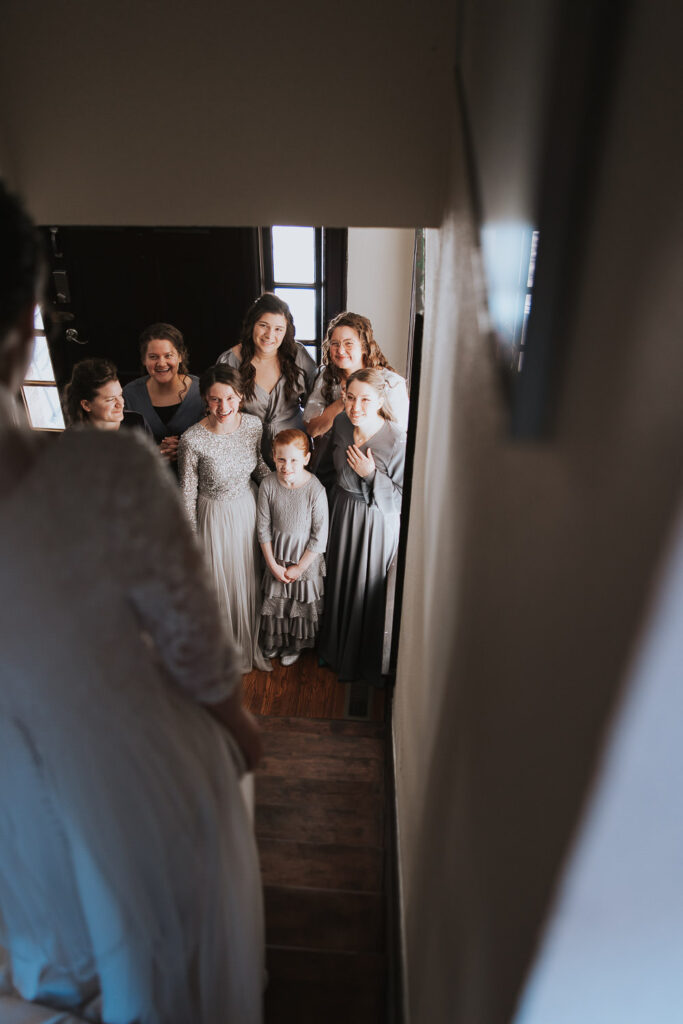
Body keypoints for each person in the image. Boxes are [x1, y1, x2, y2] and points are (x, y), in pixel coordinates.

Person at [0, 180, 264, 1024]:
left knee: (45, 958)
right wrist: (240, 732)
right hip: (120, 766)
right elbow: (193, 646)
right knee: (145, 957)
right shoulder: (109, 471)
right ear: (20, 332)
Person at [178, 364, 271, 673]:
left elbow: (258, 467)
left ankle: (248, 642)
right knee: (218, 583)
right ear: (205, 399)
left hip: (246, 510)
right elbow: (187, 495)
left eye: (230, 398)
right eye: (216, 400)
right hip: (212, 517)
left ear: (240, 397)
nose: (224, 407)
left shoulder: (253, 426)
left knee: (247, 578)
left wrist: (288, 484)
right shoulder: (192, 440)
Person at [318, 368, 406, 686]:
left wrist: (371, 475)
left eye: (366, 400)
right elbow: (326, 468)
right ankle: (333, 648)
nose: (356, 407)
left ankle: (357, 660)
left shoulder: (397, 440)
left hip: (375, 524)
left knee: (363, 587)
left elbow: (402, 500)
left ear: (380, 400)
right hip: (341, 512)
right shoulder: (341, 423)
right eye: (351, 398)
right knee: (339, 579)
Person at [303, 311, 409, 486]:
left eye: (348, 344)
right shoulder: (326, 378)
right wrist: (341, 403)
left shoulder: (391, 383)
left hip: (374, 469)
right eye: (334, 344)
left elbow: (398, 438)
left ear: (365, 347)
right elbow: (313, 430)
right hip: (330, 468)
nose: (340, 350)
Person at [217, 293, 316, 467]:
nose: (270, 335)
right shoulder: (229, 361)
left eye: (278, 329)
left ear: (286, 331)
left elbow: (316, 401)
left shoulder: (298, 355)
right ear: (252, 326)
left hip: (293, 449)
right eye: (263, 325)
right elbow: (217, 410)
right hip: (246, 448)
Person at [257, 429, 329, 666]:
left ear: (306, 459)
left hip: (304, 560)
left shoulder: (315, 489)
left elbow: (320, 537)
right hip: (277, 557)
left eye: (294, 460)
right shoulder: (268, 484)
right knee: (277, 603)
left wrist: (300, 567)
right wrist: (272, 563)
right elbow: (263, 529)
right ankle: (275, 642)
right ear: (273, 457)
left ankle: (294, 646)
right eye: (281, 459)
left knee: (299, 604)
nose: (286, 466)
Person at [122, 322, 203, 462]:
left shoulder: (202, 390)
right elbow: (121, 445)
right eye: (153, 357)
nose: (161, 363)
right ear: (144, 360)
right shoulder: (129, 394)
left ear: (180, 356)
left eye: (168, 355)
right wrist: (154, 452)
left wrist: (185, 447)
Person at [64, 357, 152, 434]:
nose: (120, 404)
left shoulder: (137, 422)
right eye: (111, 399)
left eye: (120, 395)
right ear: (86, 405)